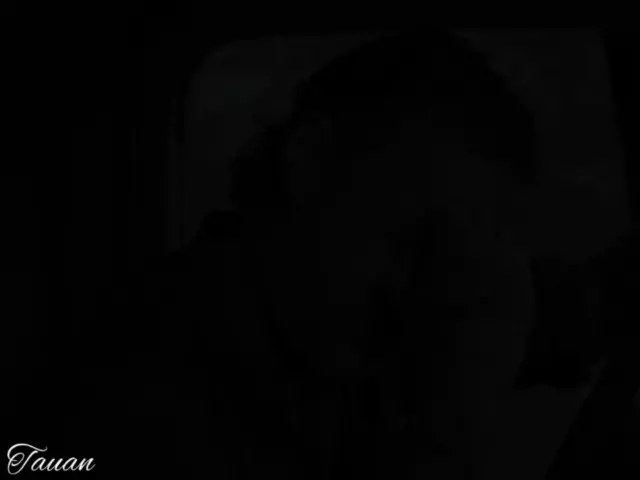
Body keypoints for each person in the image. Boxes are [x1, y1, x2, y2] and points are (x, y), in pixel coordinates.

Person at [224, 28, 540, 477]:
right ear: (312, 161)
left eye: (449, 263)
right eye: (410, 239)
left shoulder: (314, 361)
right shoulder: (165, 408)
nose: (412, 295)